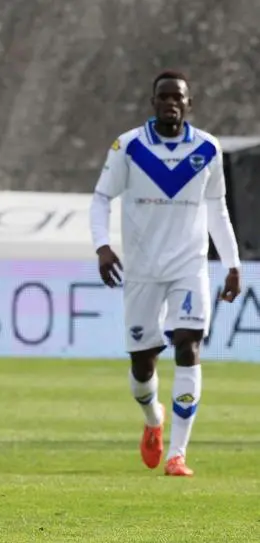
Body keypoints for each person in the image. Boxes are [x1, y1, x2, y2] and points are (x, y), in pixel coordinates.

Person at [89, 70, 242, 477]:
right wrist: (103, 246)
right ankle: (153, 420)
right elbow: (102, 197)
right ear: (153, 103)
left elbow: (218, 210)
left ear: (189, 104)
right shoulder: (129, 146)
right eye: (164, 97)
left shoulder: (208, 149)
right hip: (140, 270)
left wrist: (232, 263)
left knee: (189, 347)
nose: (171, 102)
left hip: (189, 266)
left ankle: (178, 454)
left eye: (178, 97)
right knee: (143, 366)